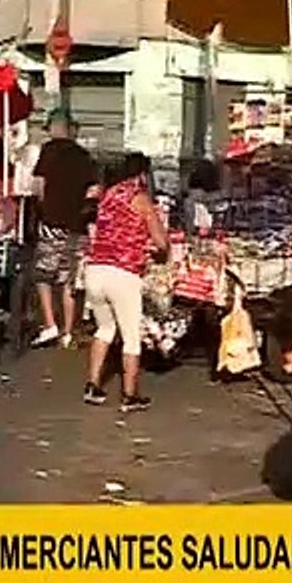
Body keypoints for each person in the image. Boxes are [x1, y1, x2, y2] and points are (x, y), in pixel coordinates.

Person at [83, 152, 168, 412]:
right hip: (123, 272)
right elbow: (161, 242)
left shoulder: (108, 196)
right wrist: (160, 247)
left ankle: (92, 385)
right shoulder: (140, 198)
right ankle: (130, 395)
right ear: (143, 174)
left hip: (95, 269)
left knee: (104, 329)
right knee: (131, 337)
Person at [31, 109, 97, 349]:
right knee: (69, 278)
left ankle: (50, 324)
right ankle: (68, 332)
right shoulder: (85, 156)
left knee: (43, 275)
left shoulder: (49, 151)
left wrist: (41, 208)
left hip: (52, 222)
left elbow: (38, 185)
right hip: (78, 225)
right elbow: (93, 191)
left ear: (54, 127)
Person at [182, 158, 221, 236]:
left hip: (198, 193)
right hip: (212, 194)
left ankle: (193, 230)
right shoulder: (216, 197)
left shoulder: (190, 199)